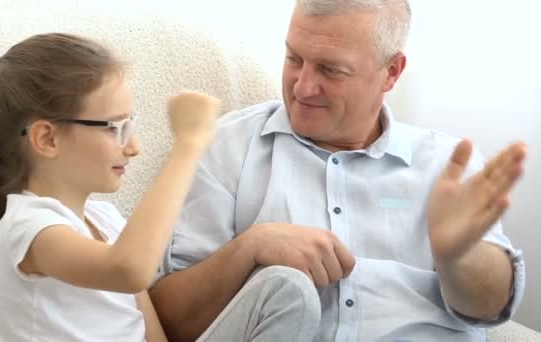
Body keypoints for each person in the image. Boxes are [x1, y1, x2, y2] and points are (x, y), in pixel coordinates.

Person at [150, 1, 527, 341]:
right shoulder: (227, 144)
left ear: (391, 72)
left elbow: (488, 310)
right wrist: (249, 248)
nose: (302, 86)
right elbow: (165, 321)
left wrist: (459, 257)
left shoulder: (445, 164)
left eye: (331, 70)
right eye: (293, 58)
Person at [0, 32, 231, 341]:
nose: (134, 147)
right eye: (116, 128)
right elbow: (130, 270)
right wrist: (189, 143)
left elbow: (149, 329)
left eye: (131, 125)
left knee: (277, 286)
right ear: (47, 139)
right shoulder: (27, 230)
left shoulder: (105, 220)